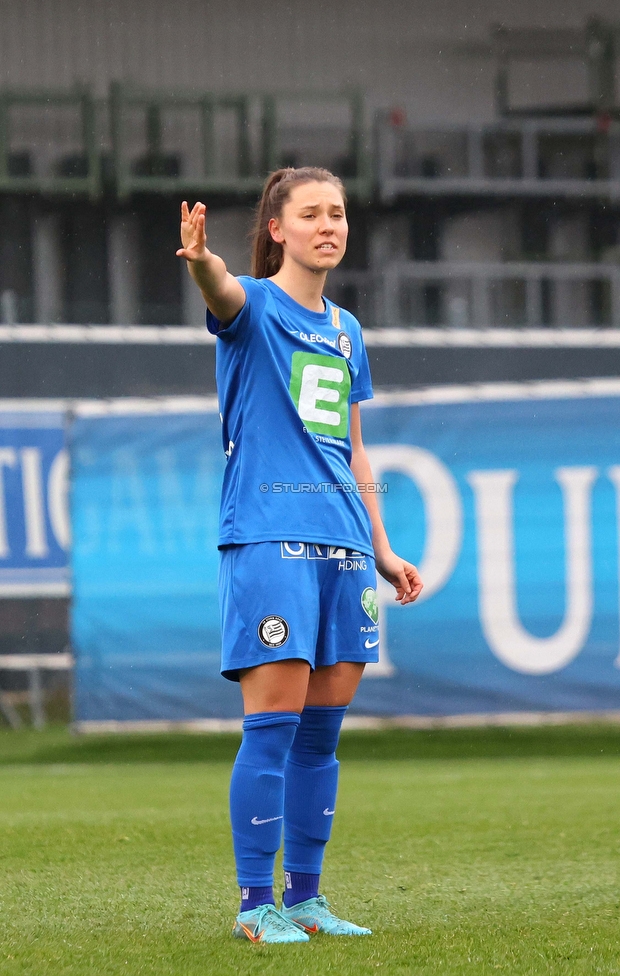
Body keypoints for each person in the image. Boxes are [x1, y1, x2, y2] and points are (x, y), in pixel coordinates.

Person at [177, 167, 423, 944]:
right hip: (270, 539)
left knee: (323, 735)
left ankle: (307, 898)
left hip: (346, 549)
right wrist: (201, 264)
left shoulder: (348, 330)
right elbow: (223, 293)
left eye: (339, 214)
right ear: (278, 228)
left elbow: (353, 449)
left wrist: (381, 546)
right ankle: (256, 905)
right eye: (312, 213)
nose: (330, 225)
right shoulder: (253, 305)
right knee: (273, 727)